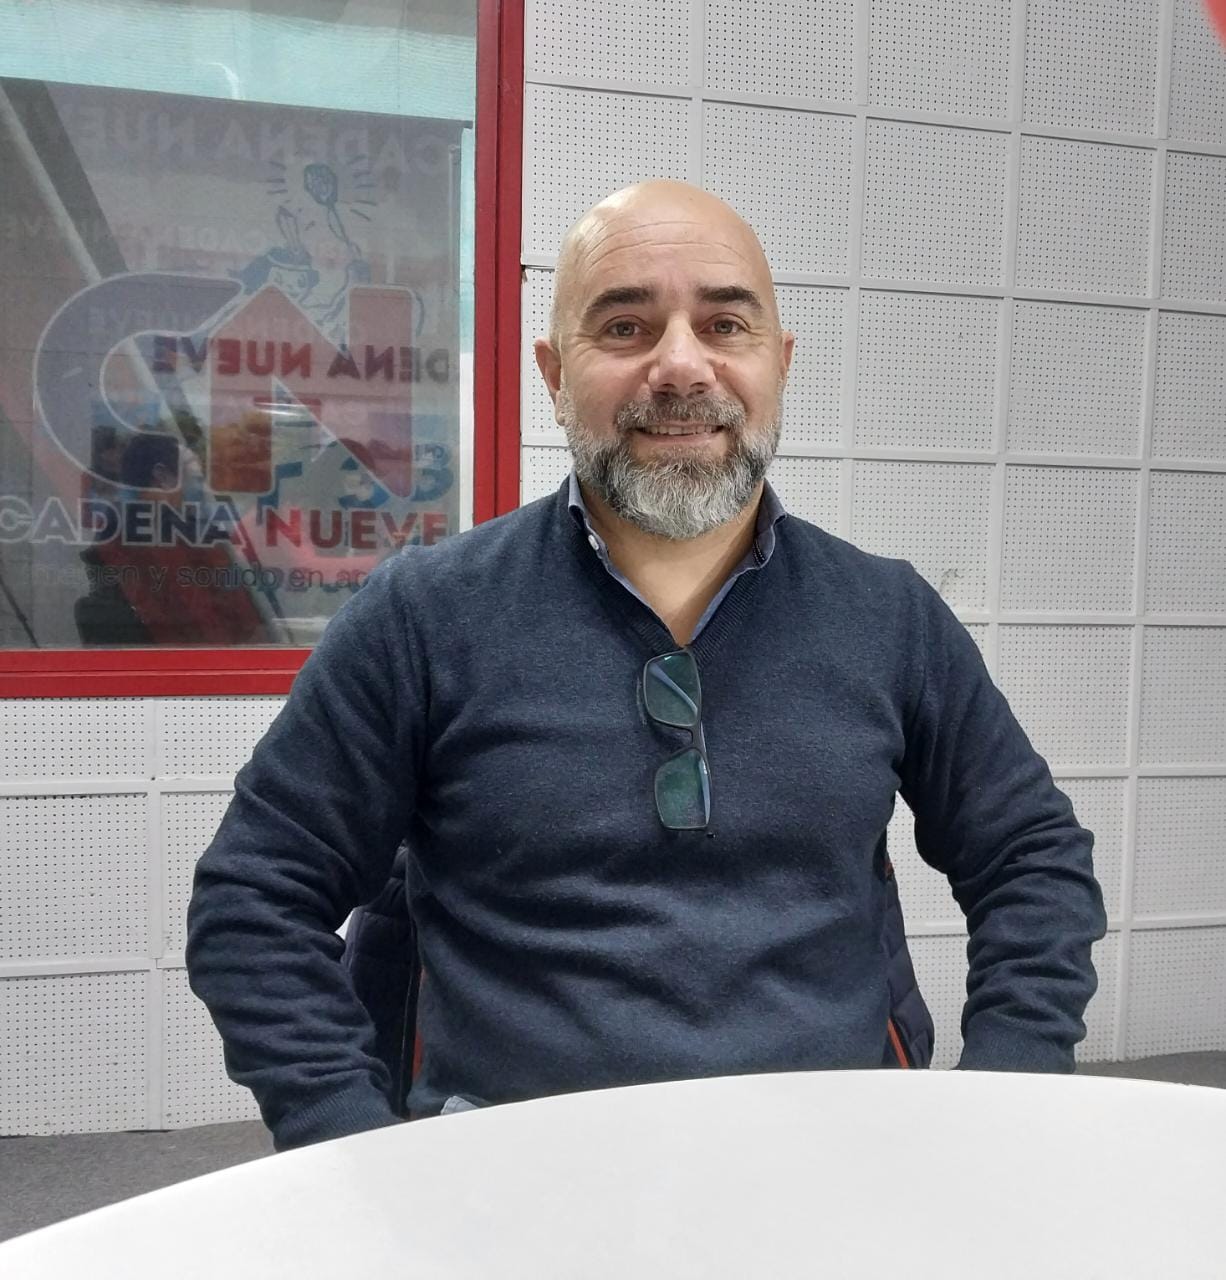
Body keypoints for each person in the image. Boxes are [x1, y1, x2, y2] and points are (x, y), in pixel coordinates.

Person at [186, 180, 1107, 1151]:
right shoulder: (423, 618)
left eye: (724, 325)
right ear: (553, 373)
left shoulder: (889, 617)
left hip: (832, 1166)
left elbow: (1031, 859)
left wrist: (1005, 1093)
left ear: (779, 363)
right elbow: (256, 901)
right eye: (624, 327)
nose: (679, 365)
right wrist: (348, 1147)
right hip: (506, 1180)